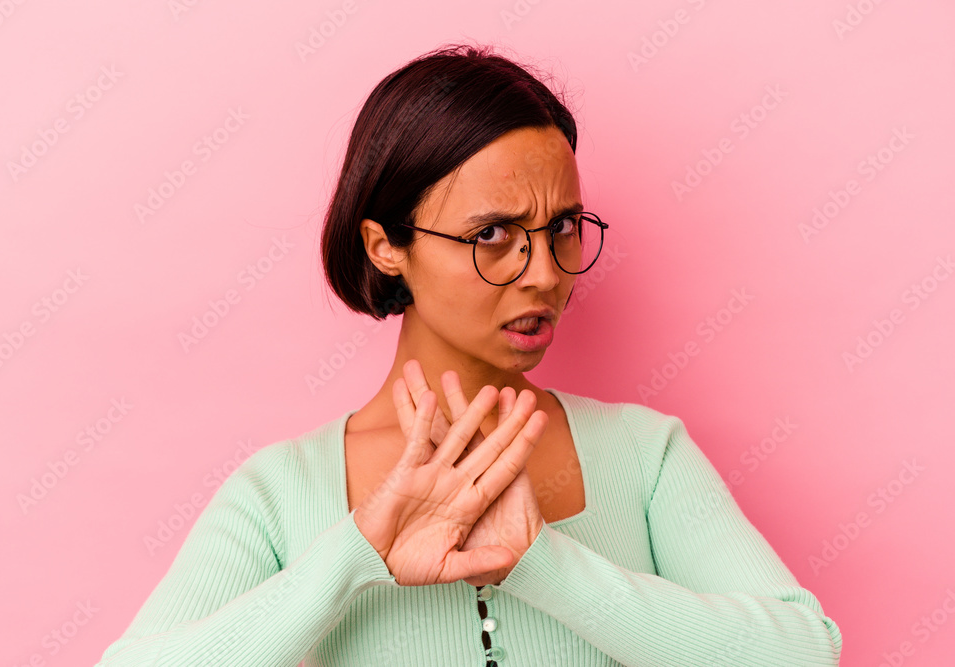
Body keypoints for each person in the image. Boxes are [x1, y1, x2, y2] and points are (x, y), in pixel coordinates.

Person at [97, 43, 843, 666]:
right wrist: (355, 557)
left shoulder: (645, 456)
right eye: (492, 234)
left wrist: (545, 566)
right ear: (386, 244)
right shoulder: (280, 491)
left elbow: (805, 650)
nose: (546, 272)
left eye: (563, 227)